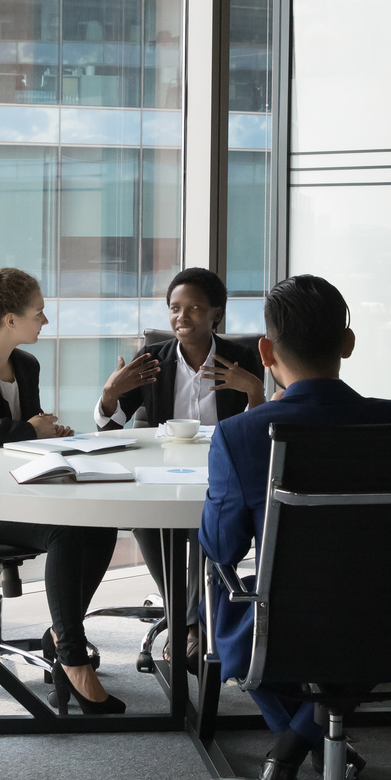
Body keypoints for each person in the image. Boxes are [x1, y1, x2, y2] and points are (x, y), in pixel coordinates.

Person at [200, 275, 391, 780]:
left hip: (290, 623)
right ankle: (308, 741)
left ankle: (295, 739)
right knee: (359, 611)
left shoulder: (240, 433)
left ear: (265, 350)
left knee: (217, 593)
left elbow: (221, 546)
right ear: (348, 344)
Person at [0, 262, 124, 714]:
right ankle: (74, 659)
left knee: (101, 523)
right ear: (10, 320)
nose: (45, 320)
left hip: (18, 491)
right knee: (66, 532)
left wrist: (51, 436)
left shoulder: (26, 364)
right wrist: (29, 431)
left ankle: (61, 634)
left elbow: (25, 437)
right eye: (39, 312)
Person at [95, 267, 265, 664]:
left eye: (194, 309)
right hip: (166, 473)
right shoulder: (153, 359)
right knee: (146, 520)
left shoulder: (240, 360)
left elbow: (257, 435)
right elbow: (110, 429)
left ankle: (186, 619)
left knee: (209, 518)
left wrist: (255, 391)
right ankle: (189, 618)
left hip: (222, 474)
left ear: (215, 315)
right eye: (174, 308)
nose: (181, 318)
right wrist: (109, 395)